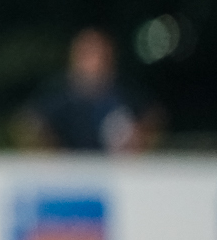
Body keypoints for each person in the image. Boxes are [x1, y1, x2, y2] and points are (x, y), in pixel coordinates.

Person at [15, 28, 154, 152]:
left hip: (114, 168)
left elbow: (152, 119)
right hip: (70, 168)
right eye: (87, 53)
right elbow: (27, 124)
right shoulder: (58, 94)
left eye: (99, 54)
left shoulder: (124, 92)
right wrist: (49, 150)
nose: (94, 61)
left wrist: (137, 141)